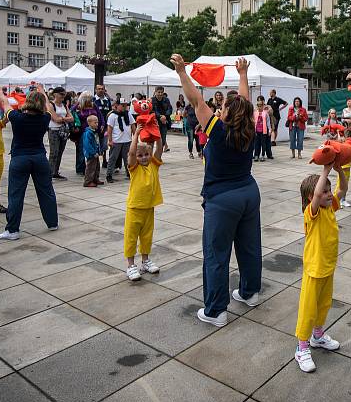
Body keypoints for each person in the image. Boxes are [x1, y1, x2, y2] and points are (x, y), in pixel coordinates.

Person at [171, 53, 261, 327]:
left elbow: (196, 100)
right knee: (249, 247)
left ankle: (216, 310)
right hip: (248, 193)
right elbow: (244, 103)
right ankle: (249, 292)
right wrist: (243, 74)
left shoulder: (218, 130)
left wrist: (181, 72)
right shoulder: (250, 128)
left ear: (225, 113)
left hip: (222, 199)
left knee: (216, 254)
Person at [294, 163, 347, 373]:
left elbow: (343, 189)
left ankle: (317, 336)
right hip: (314, 269)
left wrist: (338, 169)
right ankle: (302, 347)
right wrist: (325, 170)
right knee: (308, 308)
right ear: (311, 197)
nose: (328, 194)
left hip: (328, 266)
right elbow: (317, 196)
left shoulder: (330, 206)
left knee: (323, 304)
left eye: (328, 190)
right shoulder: (312, 212)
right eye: (324, 191)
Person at [0, 85, 58, 241]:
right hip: (39, 158)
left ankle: (13, 230)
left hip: (20, 158)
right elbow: (49, 106)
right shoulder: (45, 118)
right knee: (46, 191)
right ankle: (52, 222)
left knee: (16, 194)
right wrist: (42, 91)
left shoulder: (16, 117)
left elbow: (5, 102)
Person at [123, 123, 164, 280]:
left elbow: (159, 149)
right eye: (140, 156)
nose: (143, 158)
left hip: (149, 208)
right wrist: (135, 136)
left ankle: (145, 260)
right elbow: (132, 153)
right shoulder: (134, 167)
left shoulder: (154, 165)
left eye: (146, 154)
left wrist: (157, 133)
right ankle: (131, 265)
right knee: (131, 236)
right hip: (135, 208)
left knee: (147, 235)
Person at [73, 92, 105, 175]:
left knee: (93, 148)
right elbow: (71, 112)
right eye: (89, 99)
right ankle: (80, 168)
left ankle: (91, 167)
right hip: (82, 131)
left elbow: (100, 115)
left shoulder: (93, 105)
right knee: (81, 149)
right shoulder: (78, 106)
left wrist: (102, 124)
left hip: (94, 131)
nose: (91, 100)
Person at [47, 87, 74, 180]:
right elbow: (56, 119)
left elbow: (72, 118)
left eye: (64, 94)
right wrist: (65, 119)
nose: (63, 96)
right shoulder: (51, 105)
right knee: (53, 153)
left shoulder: (64, 105)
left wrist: (62, 119)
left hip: (63, 131)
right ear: (55, 94)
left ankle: (55, 171)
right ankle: (49, 174)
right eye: (61, 94)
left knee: (60, 152)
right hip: (54, 130)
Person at [106, 101, 132, 182]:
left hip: (127, 140)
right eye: (122, 105)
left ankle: (129, 173)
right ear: (117, 106)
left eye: (125, 105)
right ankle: (109, 174)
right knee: (113, 158)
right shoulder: (112, 116)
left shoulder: (128, 114)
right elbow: (109, 128)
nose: (124, 107)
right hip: (116, 140)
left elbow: (133, 125)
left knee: (127, 158)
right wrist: (110, 140)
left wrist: (135, 138)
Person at [94, 85, 112, 167]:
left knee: (104, 144)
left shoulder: (107, 100)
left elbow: (110, 112)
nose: (101, 90)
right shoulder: (93, 100)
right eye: (99, 89)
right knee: (96, 144)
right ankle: (95, 161)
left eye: (102, 89)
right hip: (95, 126)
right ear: (96, 90)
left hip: (105, 126)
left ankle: (104, 160)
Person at [83, 115, 103, 187]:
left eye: (97, 122)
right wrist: (93, 152)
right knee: (91, 167)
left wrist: (98, 151)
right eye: (95, 123)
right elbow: (87, 144)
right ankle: (88, 181)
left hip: (95, 153)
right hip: (91, 154)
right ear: (89, 123)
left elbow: (96, 142)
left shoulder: (94, 132)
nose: (97, 124)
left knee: (96, 166)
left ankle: (95, 179)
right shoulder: (88, 133)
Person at [151, 86, 173, 152]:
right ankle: (150, 156)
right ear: (155, 92)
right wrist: (160, 116)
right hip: (155, 122)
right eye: (159, 92)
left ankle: (158, 156)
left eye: (162, 92)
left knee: (163, 140)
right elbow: (152, 110)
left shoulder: (166, 100)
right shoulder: (152, 100)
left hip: (164, 122)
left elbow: (170, 109)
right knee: (152, 141)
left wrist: (165, 116)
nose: (160, 94)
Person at [253, 96, 272, 162]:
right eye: (258, 105)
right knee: (256, 144)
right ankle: (256, 155)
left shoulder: (265, 113)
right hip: (256, 131)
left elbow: (268, 122)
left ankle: (262, 155)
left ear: (263, 106)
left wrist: (269, 130)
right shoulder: (255, 113)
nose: (259, 107)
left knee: (263, 144)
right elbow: (253, 122)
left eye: (261, 105)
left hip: (263, 131)